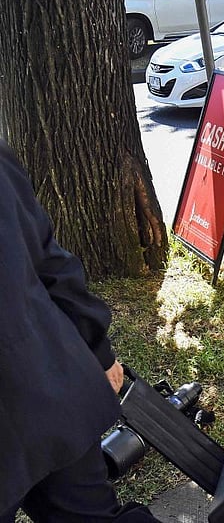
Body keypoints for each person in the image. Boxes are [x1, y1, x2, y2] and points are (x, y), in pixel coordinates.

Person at [0, 140, 159, 522]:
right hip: (46, 388)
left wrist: (99, 351)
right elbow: (50, 262)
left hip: (40, 392)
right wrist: (97, 351)